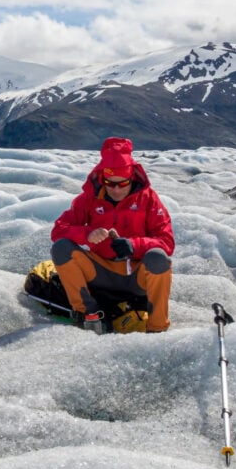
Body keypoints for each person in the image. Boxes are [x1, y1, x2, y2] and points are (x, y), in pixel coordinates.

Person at [50, 136, 174, 333]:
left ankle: (157, 329)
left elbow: (166, 241)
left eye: (122, 183)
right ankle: (88, 315)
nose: (116, 189)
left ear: (131, 178)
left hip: (136, 276)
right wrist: (87, 234)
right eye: (110, 182)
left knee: (159, 259)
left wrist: (135, 245)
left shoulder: (148, 199)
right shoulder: (90, 198)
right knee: (62, 248)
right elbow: (58, 230)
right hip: (101, 273)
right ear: (102, 177)